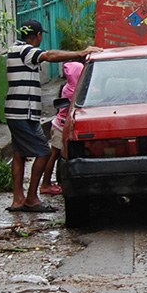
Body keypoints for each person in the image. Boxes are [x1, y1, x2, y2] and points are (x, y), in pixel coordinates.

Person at [5, 20, 101, 213]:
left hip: (16, 110)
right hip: (24, 111)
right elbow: (48, 55)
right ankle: (31, 198)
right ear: (38, 35)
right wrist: (81, 53)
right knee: (43, 152)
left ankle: (18, 199)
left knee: (19, 153)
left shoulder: (14, 49)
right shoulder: (26, 51)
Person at [39, 60, 84, 197]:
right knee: (54, 155)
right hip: (60, 127)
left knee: (57, 156)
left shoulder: (68, 87)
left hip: (61, 125)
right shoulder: (74, 90)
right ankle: (45, 184)